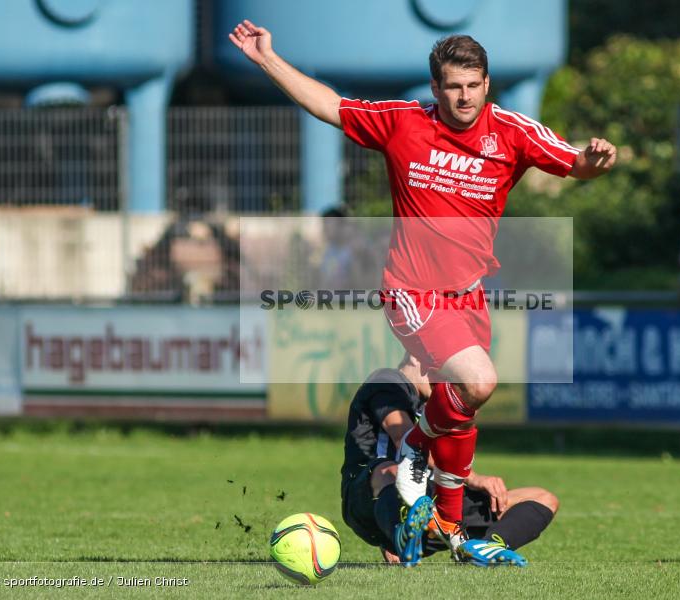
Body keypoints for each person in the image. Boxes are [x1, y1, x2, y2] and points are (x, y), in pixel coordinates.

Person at [229, 21, 614, 556]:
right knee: (477, 382)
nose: (465, 96)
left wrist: (593, 163)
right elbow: (330, 106)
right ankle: (413, 448)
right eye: (453, 86)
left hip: (469, 299)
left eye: (474, 85)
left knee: (460, 411)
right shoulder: (403, 123)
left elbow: (575, 163)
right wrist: (267, 59)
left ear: (487, 83)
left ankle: (455, 536)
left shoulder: (512, 132)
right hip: (411, 290)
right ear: (435, 89)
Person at [341, 354, 559, 567]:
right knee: (393, 470)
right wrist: (473, 478)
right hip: (367, 501)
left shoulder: (436, 405)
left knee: (543, 498)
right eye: (444, 372)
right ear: (417, 357)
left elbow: (450, 457)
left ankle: (482, 548)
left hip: (428, 505)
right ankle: (400, 531)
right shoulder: (388, 381)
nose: (446, 381)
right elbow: (406, 441)